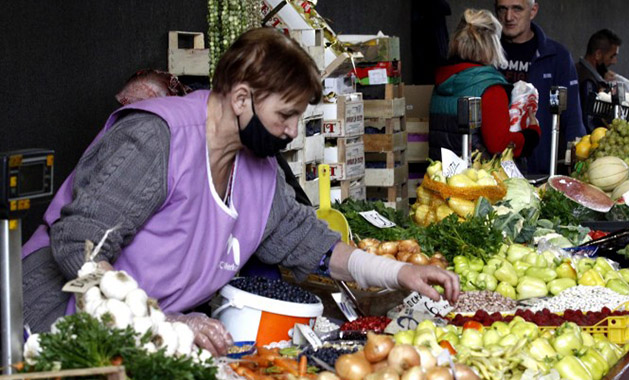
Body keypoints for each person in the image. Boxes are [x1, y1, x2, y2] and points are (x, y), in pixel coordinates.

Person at [21, 27, 460, 356]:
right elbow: (80, 244)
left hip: (155, 339)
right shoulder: (156, 139)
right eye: (285, 115)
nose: (291, 131)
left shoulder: (258, 167)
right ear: (242, 98)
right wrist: (156, 319)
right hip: (56, 333)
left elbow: (310, 243)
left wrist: (398, 273)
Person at [429, 8, 540, 161]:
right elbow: (498, 145)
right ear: (493, 44)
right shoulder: (490, 88)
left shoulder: (442, 82)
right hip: (477, 180)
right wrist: (531, 135)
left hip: (441, 177)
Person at [494, 0, 585, 175]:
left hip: (542, 168)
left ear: (533, 10)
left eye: (517, 9)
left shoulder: (557, 56)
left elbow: (573, 118)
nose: (508, 17)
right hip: (492, 167)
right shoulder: (487, 52)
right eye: (502, 9)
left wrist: (577, 168)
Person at [576, 29, 622, 132]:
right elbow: (589, 123)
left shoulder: (578, 71)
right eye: (612, 56)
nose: (614, 62)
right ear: (598, 54)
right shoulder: (588, 82)